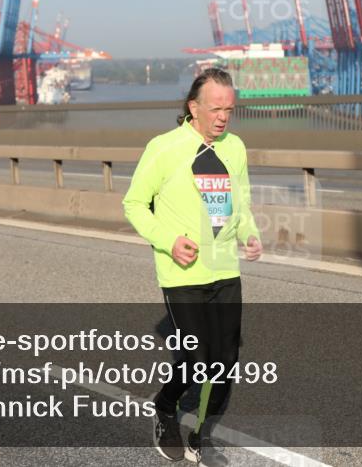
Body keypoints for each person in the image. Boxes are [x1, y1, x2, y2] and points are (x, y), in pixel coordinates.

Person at [123, 68, 262, 466]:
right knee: (194, 361)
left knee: (225, 364)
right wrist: (168, 240)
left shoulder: (234, 147)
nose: (223, 116)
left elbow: (242, 201)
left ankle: (201, 439)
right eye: (215, 108)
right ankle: (165, 407)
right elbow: (133, 203)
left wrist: (249, 234)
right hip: (181, 273)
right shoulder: (164, 148)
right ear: (193, 107)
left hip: (224, 271)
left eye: (229, 109)